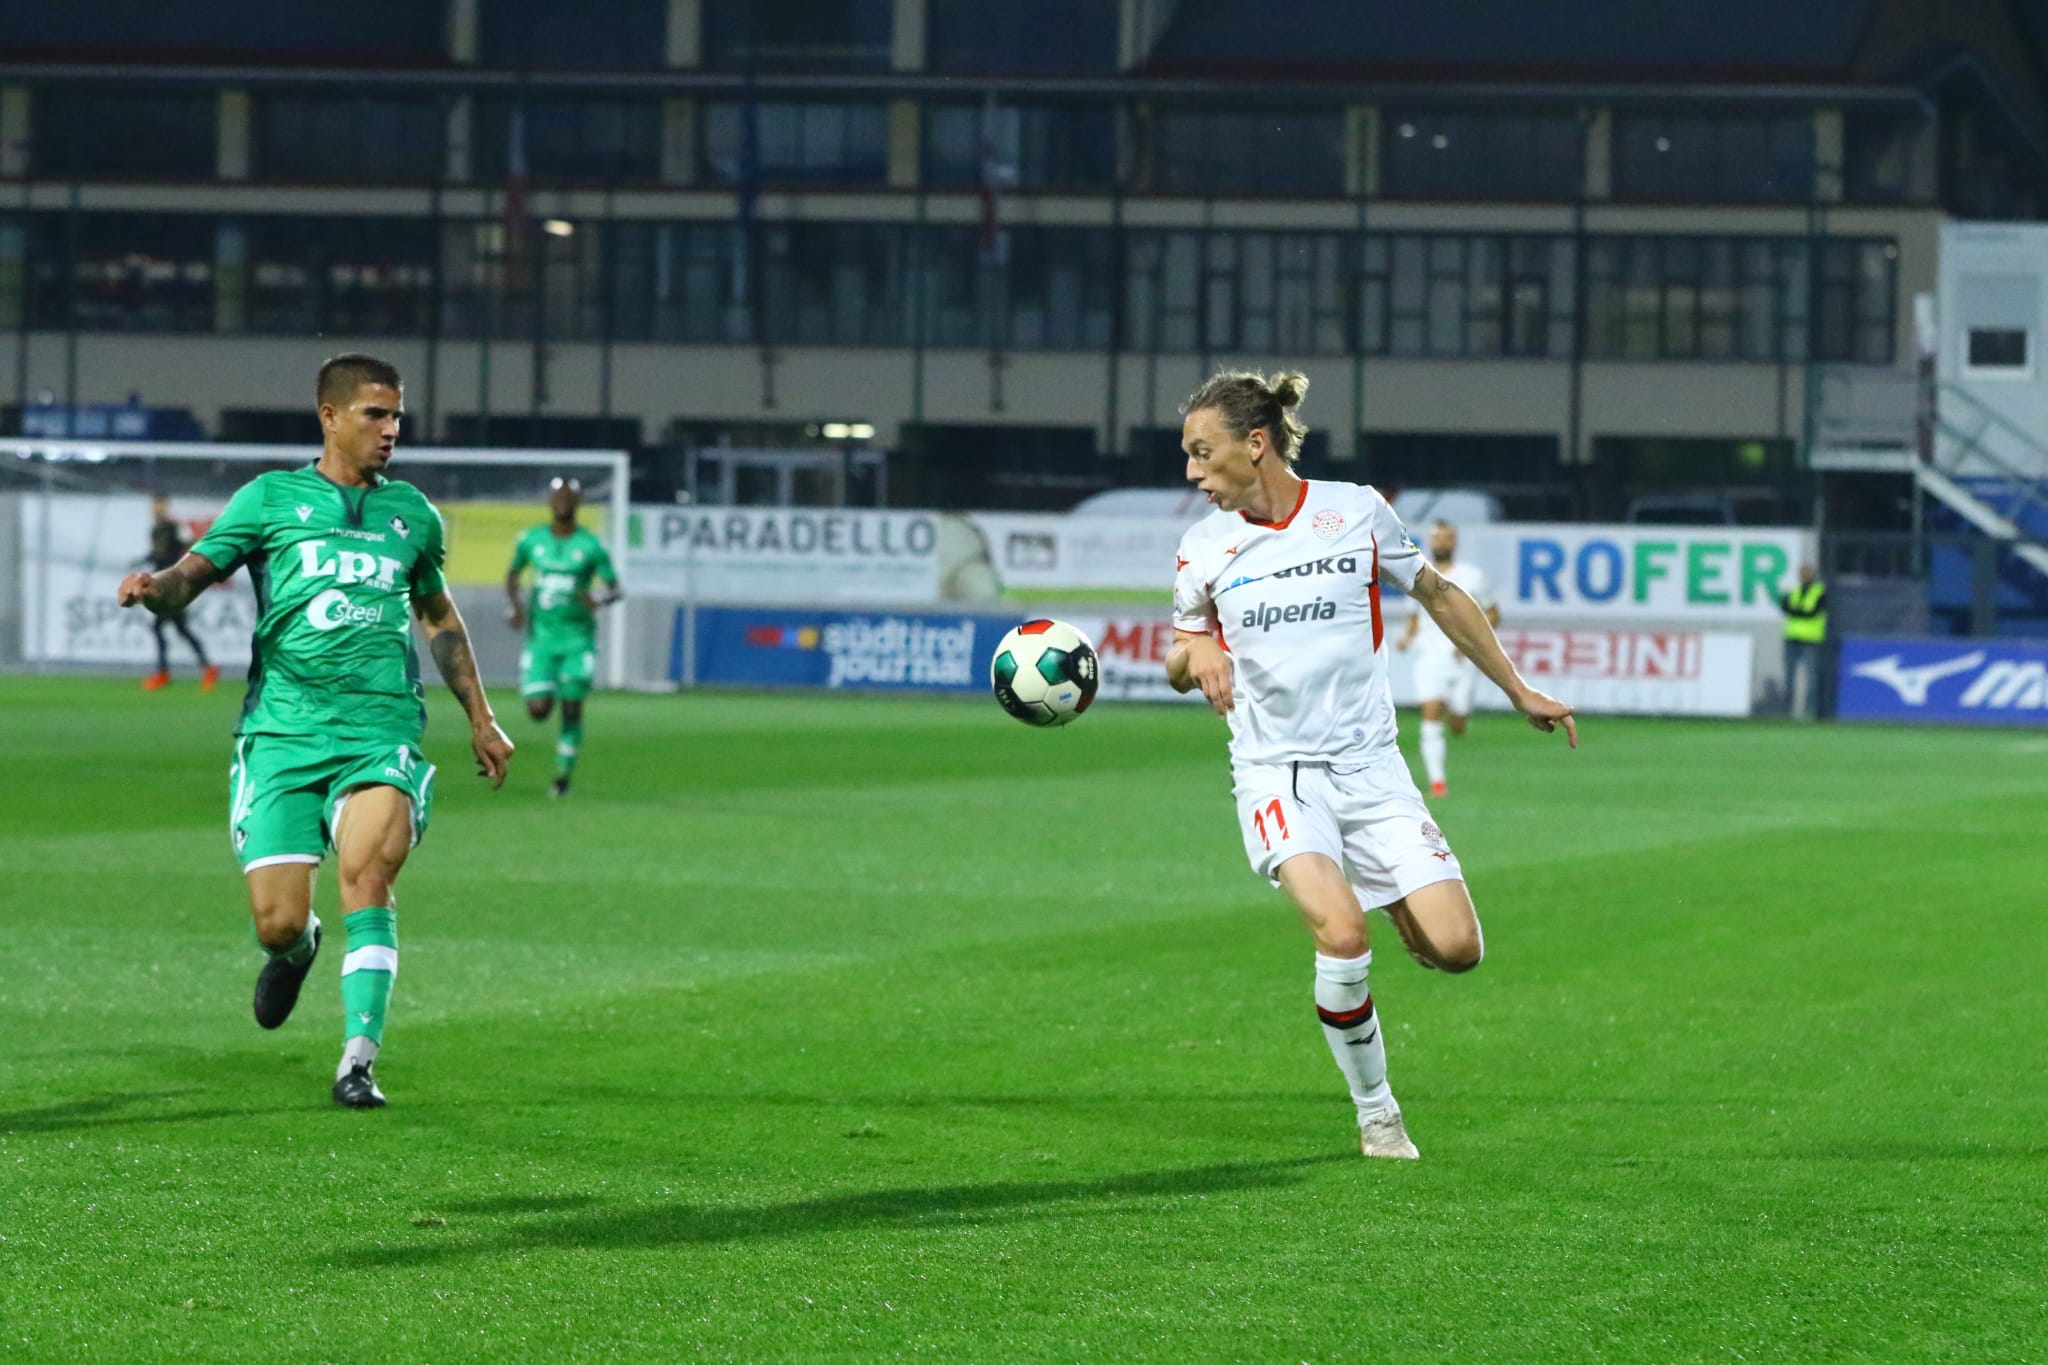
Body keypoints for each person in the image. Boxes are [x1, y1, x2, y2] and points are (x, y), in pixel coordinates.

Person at [1163, 371, 1576, 1160]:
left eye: (1201, 452)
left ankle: (1393, 891)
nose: (1191, 472)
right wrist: (1199, 645)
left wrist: (1518, 688)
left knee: (1457, 949)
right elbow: (1179, 660)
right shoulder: (1204, 548)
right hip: (1277, 771)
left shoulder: (1353, 511)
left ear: (1255, 445)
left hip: (1370, 768)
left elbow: (1440, 595)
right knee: (1341, 934)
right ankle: (1377, 1112)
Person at [116, 353, 514, 1109]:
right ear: (330, 416)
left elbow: (436, 615)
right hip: (283, 731)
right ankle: (298, 948)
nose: (391, 429)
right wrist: (154, 588)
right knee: (276, 920)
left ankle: (357, 1061)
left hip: (380, 728)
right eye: (375, 413)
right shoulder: (270, 499)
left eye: (397, 414)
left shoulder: (412, 515)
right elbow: (191, 577)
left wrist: (481, 717)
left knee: (370, 876)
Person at [505, 477, 622, 797]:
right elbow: (514, 574)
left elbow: (615, 588)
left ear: (577, 503)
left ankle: (562, 777)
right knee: (538, 710)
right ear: (549, 501)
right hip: (541, 640)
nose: (562, 502)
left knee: (571, 707)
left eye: (568, 497)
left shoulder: (591, 546)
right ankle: (552, 686)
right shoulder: (532, 540)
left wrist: (598, 599)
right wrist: (515, 607)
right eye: (558, 497)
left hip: (577, 641)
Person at [1394, 521, 1500, 797]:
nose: (1442, 543)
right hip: (1429, 656)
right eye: (1437, 538)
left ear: (1455, 543)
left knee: (1458, 723)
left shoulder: (1471, 577)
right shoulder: (1417, 574)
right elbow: (1415, 618)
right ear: (1431, 542)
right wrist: (1407, 637)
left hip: (1463, 657)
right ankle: (1437, 781)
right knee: (1430, 713)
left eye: (1447, 538)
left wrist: (1473, 639)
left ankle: (1460, 714)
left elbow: (1492, 613)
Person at [139, 495, 220, 693]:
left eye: (160, 505)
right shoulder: (155, 530)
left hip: (171, 585)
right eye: (155, 506)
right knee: (180, 629)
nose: (157, 509)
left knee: (160, 627)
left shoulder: (173, 528)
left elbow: (188, 543)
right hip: (159, 584)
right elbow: (157, 553)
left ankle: (163, 672)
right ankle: (208, 667)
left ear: (166, 507)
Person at [1779, 562, 1828, 720]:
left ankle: (1809, 713)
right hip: (1792, 637)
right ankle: (1787, 712)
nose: (1804, 575)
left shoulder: (1820, 592)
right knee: (1789, 677)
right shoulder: (1794, 591)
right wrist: (1799, 612)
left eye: (1807, 572)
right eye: (1802, 572)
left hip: (1811, 640)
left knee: (1811, 678)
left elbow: (1813, 612)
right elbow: (1784, 606)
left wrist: (1796, 612)